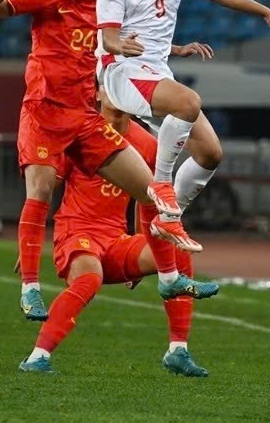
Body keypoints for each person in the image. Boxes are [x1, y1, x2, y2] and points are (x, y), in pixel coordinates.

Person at [0, 0, 209, 322]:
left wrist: (174, 50)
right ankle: (30, 288)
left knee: (152, 193)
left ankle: (169, 277)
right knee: (42, 189)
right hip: (44, 113)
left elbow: (130, 36)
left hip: (84, 117)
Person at [96, 0, 270, 239]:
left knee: (210, 153)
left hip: (157, 73)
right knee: (189, 102)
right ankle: (160, 184)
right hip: (121, 73)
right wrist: (118, 45)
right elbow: (108, 36)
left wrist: (264, 12)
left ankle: (166, 221)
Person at [18, 88, 218, 375]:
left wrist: (147, 245)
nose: (119, 94)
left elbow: (147, 199)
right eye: (113, 87)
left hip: (115, 240)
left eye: (125, 88)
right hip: (76, 234)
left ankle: (178, 350)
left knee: (176, 247)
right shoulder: (81, 134)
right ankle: (38, 356)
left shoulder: (147, 145)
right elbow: (44, 188)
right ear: (99, 92)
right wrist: (29, 248)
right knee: (90, 278)